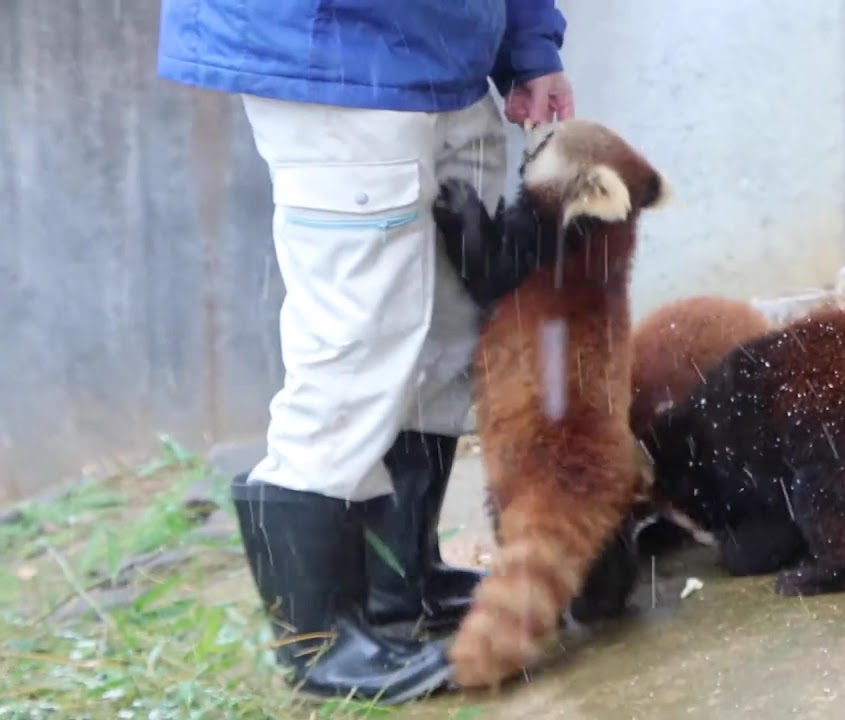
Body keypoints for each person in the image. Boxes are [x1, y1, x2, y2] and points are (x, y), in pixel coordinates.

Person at [155, 0, 575, 705]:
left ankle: (397, 587)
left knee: (445, 332)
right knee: (355, 348)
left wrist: (529, 44)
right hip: (334, 59)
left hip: (450, 56)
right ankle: (318, 645)